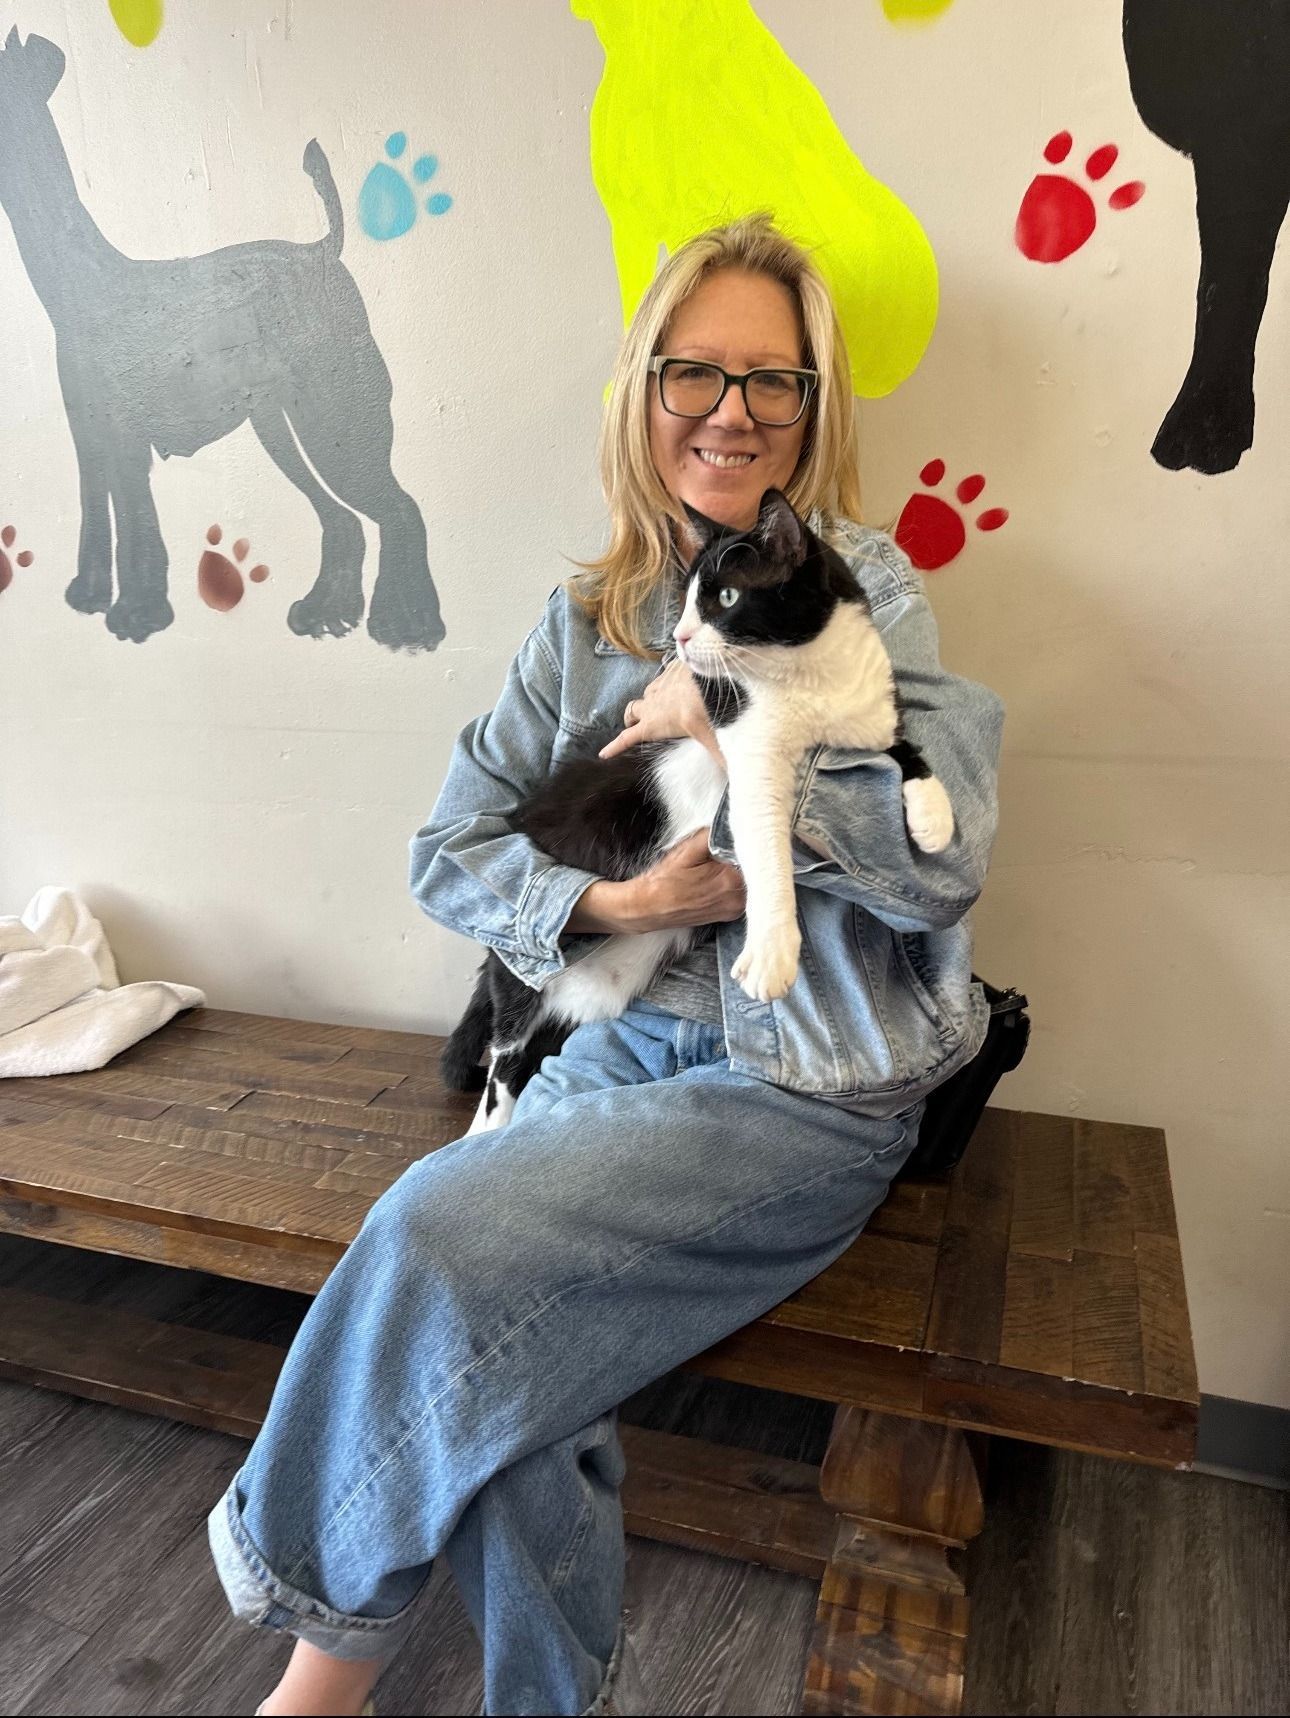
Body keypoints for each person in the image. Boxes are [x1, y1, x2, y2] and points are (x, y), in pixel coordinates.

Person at [207, 212, 1004, 1718]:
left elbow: (944, 864)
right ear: (642, 395)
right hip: (618, 1047)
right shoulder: (579, 625)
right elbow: (446, 853)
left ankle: (312, 1684)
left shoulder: (869, 593)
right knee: (516, 1366)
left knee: (440, 1239)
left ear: (815, 412)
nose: (729, 412)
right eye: (693, 373)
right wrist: (622, 902)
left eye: (772, 383)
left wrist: (726, 727)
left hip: (804, 1077)